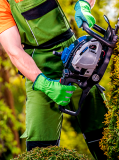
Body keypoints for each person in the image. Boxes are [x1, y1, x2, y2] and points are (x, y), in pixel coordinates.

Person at [0, 0, 108, 159]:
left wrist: (84, 4)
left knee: (103, 133)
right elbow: (14, 50)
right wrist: (43, 84)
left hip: (75, 58)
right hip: (38, 70)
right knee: (40, 149)